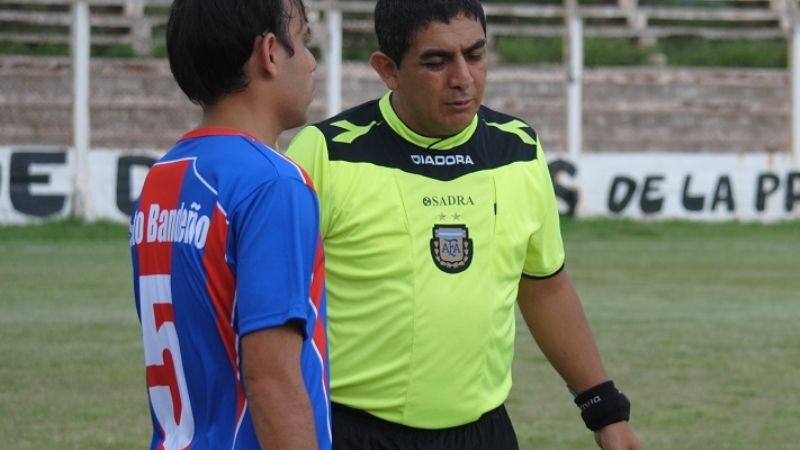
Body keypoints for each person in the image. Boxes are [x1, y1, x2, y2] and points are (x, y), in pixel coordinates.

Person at [286, 0, 642, 449]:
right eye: (436, 62)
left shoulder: (517, 149)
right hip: (351, 431)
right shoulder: (326, 153)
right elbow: (273, 307)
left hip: (483, 432)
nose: (463, 78)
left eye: (474, 55)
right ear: (388, 70)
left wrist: (604, 409)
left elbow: (544, 286)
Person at [129, 0, 330, 448]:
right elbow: (272, 379)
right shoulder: (273, 182)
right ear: (271, 53)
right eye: (304, 42)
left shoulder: (163, 177)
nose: (313, 62)